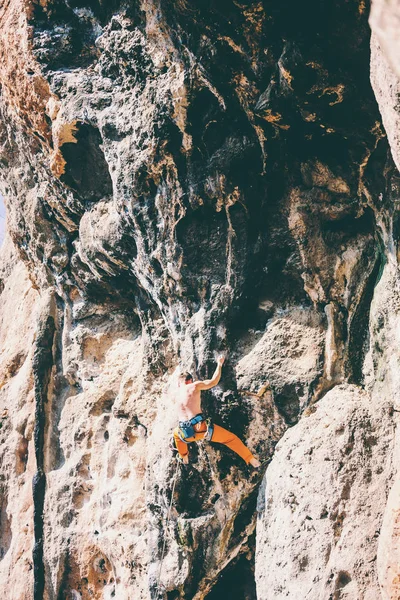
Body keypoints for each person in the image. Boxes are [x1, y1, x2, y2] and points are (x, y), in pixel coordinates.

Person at [173, 356, 260, 468]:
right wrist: (219, 364)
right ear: (189, 380)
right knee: (230, 439)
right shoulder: (194, 386)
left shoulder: (175, 395)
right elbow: (213, 382)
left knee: (176, 435)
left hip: (185, 433)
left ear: (179, 383)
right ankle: (251, 460)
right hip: (201, 428)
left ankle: (184, 456)